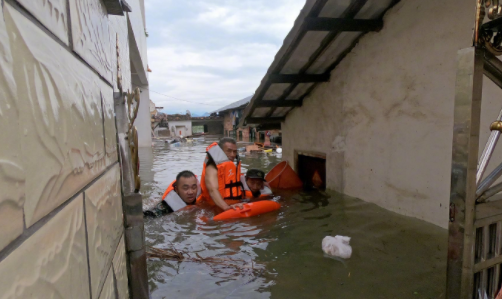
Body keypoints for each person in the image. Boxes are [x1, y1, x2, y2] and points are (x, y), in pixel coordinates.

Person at [199, 137, 246, 211]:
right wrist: (226, 207)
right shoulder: (212, 167)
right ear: (220, 151)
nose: (233, 154)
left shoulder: (231, 167)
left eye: (234, 151)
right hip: (215, 208)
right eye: (229, 151)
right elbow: (212, 190)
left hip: (235, 204)